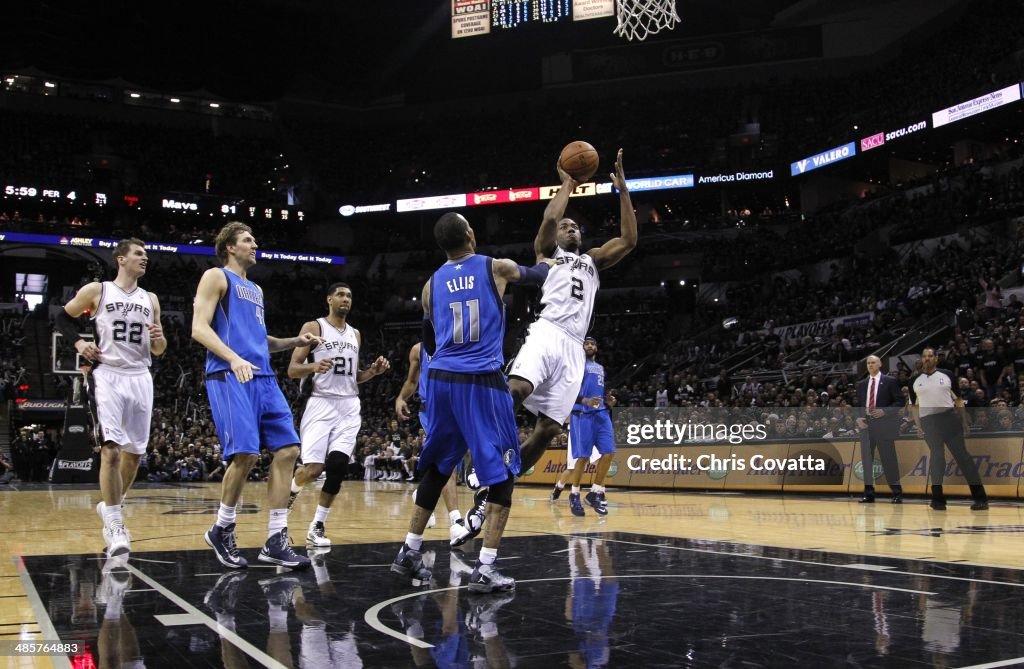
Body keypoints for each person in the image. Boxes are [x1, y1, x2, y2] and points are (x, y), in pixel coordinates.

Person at [458, 148, 636, 536]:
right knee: (515, 389)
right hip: (548, 329)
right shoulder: (548, 252)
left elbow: (628, 239)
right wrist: (568, 185)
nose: (570, 228)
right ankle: (476, 460)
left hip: (575, 346)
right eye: (566, 226)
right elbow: (551, 216)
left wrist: (623, 190)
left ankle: (499, 483)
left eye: (576, 227)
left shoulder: (592, 261)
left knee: (548, 430)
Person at [390, 212, 552, 593]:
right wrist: (549, 257)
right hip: (481, 381)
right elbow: (539, 276)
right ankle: (486, 568)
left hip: (442, 381)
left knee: (439, 466)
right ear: (470, 234)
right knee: (504, 472)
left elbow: (429, 341)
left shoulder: (430, 285)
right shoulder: (496, 267)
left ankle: (410, 551)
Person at [192, 221, 319, 570]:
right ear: (230, 247)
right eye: (248, 240)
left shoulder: (256, 290)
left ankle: (276, 539)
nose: (254, 244)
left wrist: (295, 342)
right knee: (245, 454)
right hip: (230, 373)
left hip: (262, 375)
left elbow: (261, 342)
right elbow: (198, 328)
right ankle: (222, 527)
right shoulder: (216, 277)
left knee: (289, 450)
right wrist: (233, 359)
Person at [56, 238, 167, 557]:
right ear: (121, 259)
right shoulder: (98, 290)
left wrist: (159, 339)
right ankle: (116, 524)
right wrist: (78, 344)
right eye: (139, 254)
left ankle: (111, 506)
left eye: (146, 255)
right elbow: (63, 318)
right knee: (111, 451)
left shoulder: (151, 298)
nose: (144, 259)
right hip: (108, 374)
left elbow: (159, 350)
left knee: (134, 455)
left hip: (140, 377)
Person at [287, 282, 391, 548]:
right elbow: (292, 369)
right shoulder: (314, 327)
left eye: (350, 296)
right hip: (321, 404)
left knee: (337, 468)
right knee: (312, 469)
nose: (346, 299)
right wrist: (313, 366)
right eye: (341, 295)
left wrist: (373, 372)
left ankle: (317, 526)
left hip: (349, 406)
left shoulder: (356, 334)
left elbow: (355, 377)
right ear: (329, 300)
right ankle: (284, 510)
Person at [394, 341, 466, 543]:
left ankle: (422, 493)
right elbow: (411, 381)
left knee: (451, 467)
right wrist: (401, 398)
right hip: (431, 410)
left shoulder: (457, 342)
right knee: (447, 464)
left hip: (457, 407)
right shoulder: (418, 349)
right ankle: (456, 521)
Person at [909, 347, 989, 511]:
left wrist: (965, 421)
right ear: (921, 359)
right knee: (937, 458)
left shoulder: (947, 375)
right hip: (929, 422)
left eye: (930, 356)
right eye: (924, 356)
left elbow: (959, 400)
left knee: (963, 458)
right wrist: (917, 426)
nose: (927, 359)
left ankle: (980, 498)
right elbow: (914, 407)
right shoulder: (914, 380)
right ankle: (937, 499)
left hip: (949, 419)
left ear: (936, 359)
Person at [556, 337, 617, 516]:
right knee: (582, 457)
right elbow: (565, 391)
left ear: (597, 348)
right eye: (586, 344)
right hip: (581, 414)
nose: (590, 346)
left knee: (609, 452)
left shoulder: (600, 368)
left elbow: (599, 391)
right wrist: (585, 400)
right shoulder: (575, 365)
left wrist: (608, 400)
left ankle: (594, 493)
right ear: (581, 348)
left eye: (593, 344)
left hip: (601, 413)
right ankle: (574, 494)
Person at [855, 355, 904, 503]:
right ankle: (868, 493)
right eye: (868, 363)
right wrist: (858, 418)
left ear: (880, 364)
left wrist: (885, 411)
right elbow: (858, 405)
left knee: (888, 459)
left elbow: (900, 401)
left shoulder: (890, 381)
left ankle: (896, 492)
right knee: (867, 461)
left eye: (873, 362)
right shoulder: (861, 384)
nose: (870, 365)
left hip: (884, 424)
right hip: (867, 425)